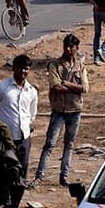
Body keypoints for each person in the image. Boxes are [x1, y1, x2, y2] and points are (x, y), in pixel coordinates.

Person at [33, 34, 89, 188]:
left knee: (69, 145)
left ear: (77, 48)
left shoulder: (81, 66)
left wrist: (66, 83)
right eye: (66, 46)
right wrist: (73, 87)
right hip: (59, 110)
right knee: (50, 144)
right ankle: (40, 175)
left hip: (75, 110)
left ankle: (63, 176)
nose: (68, 49)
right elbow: (55, 86)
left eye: (71, 46)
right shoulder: (55, 65)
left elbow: (85, 88)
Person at [0, 55, 38, 208]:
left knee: (21, 176)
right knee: (3, 174)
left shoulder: (31, 91)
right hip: (4, 141)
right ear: (13, 68)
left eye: (26, 68)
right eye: (20, 67)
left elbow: (31, 114)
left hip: (24, 138)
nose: (23, 71)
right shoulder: (2, 88)